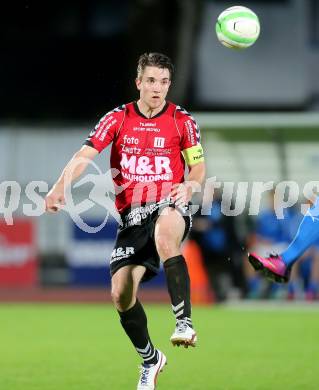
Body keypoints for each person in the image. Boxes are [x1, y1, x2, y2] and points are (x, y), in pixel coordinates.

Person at [45, 52, 205, 390]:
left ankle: (184, 322)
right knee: (121, 294)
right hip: (132, 216)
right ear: (138, 83)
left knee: (166, 234)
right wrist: (60, 187)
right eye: (150, 81)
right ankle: (151, 359)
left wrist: (190, 184)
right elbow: (85, 155)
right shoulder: (118, 119)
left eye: (163, 81)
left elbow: (198, 166)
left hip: (169, 202)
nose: (157, 88)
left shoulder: (182, 120)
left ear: (169, 84)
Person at [248, 195, 319, 285]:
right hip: (269, 246)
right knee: (251, 254)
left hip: (290, 246)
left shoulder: (286, 216)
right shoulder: (265, 216)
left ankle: (309, 286)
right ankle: (255, 286)